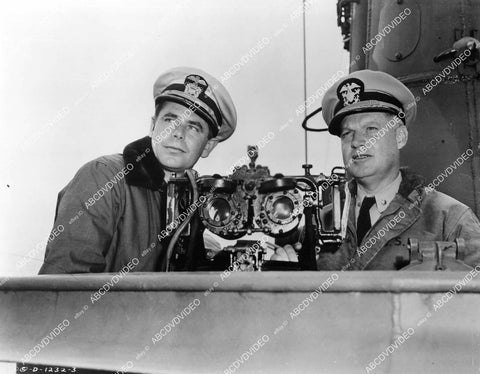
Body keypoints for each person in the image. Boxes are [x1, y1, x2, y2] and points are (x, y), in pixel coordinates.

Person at [39, 67, 237, 274]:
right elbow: (65, 284)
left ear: (207, 146)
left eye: (193, 127)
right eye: (170, 120)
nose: (178, 133)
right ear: (153, 126)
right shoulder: (104, 177)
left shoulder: (195, 198)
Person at [277, 69, 480, 270]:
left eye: (371, 129)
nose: (357, 142)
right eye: (347, 133)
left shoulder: (448, 219)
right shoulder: (318, 224)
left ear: (400, 137)